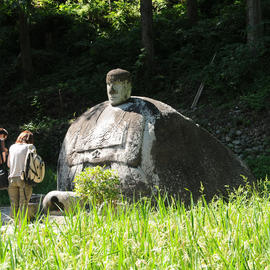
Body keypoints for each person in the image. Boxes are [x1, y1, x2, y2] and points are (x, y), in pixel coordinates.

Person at [7, 130, 35, 218]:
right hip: (24, 179)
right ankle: (22, 228)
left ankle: (13, 227)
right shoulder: (30, 147)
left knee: (14, 205)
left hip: (11, 179)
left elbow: (8, 164)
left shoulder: (12, 147)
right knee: (23, 204)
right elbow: (34, 164)